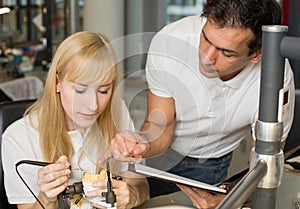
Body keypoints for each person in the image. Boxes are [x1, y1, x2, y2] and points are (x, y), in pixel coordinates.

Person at [107, 0, 295, 208]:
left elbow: (265, 166)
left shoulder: (275, 77)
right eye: (206, 38)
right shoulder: (170, 41)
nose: (206, 57)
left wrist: (229, 198)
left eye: (226, 53)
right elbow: (162, 124)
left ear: (256, 55)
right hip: (156, 158)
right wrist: (142, 142)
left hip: (209, 165)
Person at [2, 31, 149, 209]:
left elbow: (141, 186)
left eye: (103, 91)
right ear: (57, 82)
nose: (93, 105)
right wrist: (47, 198)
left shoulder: (118, 113)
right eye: (80, 90)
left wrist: (130, 196)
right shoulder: (19, 137)